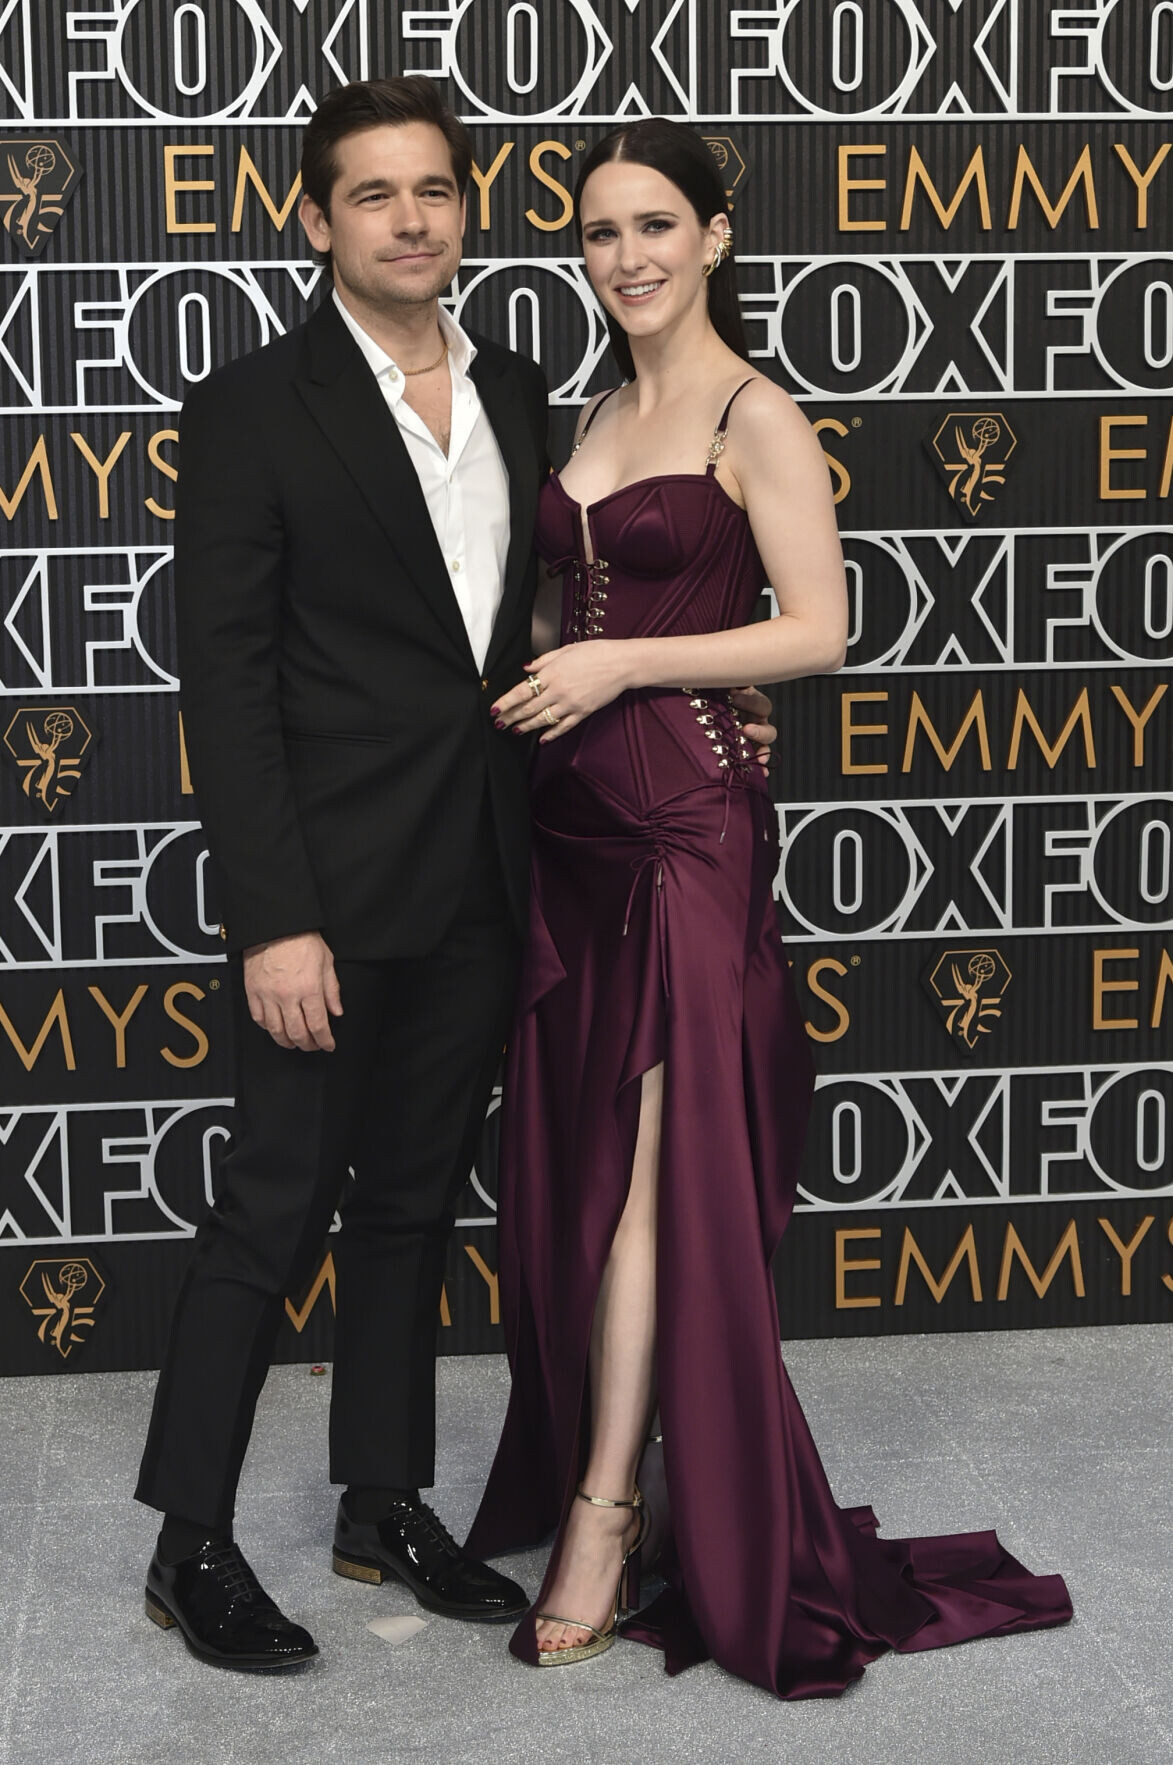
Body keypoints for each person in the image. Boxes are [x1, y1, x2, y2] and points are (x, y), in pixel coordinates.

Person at [467, 119, 1073, 1698]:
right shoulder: (597, 405)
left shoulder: (756, 412)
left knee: (651, 1175)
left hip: (686, 830)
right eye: (598, 232)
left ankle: (605, 1514)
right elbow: (562, 606)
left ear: (715, 235)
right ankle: (615, 1471)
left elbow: (818, 629)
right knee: (573, 1174)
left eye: (653, 224)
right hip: (569, 830)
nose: (625, 257)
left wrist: (626, 662)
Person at [133, 75, 547, 1670]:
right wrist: (274, 919)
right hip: (324, 889)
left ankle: (381, 1500)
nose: (409, 218)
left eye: (433, 188)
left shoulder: (520, 391)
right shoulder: (252, 405)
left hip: (480, 873)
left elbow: (507, 634)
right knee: (272, 1208)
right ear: (315, 220)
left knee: (412, 1206)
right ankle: (190, 1543)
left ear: (464, 208)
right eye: (372, 193)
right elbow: (226, 681)